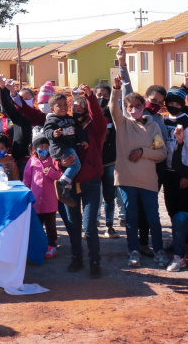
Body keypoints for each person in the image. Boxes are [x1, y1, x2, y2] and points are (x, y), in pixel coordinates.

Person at [109, 75, 168, 268]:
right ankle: (133, 251)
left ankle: (158, 250)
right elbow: (112, 108)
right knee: (131, 218)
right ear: (126, 109)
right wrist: (116, 89)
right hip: (126, 179)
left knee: (153, 217)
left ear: (144, 106)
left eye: (137, 106)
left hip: (148, 180)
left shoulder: (154, 127)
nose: (134, 110)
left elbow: (161, 153)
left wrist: (143, 152)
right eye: (130, 107)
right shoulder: (123, 124)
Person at [57, 84, 107, 278]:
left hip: (91, 183)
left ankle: (95, 261)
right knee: (72, 224)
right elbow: (56, 150)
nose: (77, 113)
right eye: (74, 110)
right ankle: (76, 257)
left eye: (81, 110)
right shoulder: (66, 129)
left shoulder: (96, 129)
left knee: (89, 226)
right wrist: (60, 163)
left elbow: (98, 117)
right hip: (69, 185)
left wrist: (90, 97)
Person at [42, 93, 88, 205]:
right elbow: (46, 132)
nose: (63, 108)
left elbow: (78, 130)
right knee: (76, 165)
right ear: (52, 108)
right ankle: (62, 182)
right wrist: (54, 133)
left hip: (70, 146)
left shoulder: (70, 119)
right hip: (61, 147)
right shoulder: (52, 120)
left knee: (74, 165)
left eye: (65, 105)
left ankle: (65, 189)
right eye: (59, 105)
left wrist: (83, 140)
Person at [161, 88, 188, 219]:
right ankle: (176, 234)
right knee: (170, 205)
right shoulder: (164, 120)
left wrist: (186, 174)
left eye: (178, 104)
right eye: (171, 103)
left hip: (182, 171)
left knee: (184, 205)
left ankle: (187, 238)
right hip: (167, 171)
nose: (174, 106)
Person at [24, 133, 61, 259]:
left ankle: (52, 245)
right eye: (41, 146)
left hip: (49, 202)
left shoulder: (53, 160)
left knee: (51, 225)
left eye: (46, 146)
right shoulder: (32, 161)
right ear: (35, 148)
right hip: (35, 202)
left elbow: (59, 175)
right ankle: (39, 245)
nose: (44, 149)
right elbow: (27, 180)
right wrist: (26, 195)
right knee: (37, 226)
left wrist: (51, 172)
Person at [94, 83, 119, 239]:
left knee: (110, 196)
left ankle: (109, 226)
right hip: (93, 163)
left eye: (105, 95)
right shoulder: (89, 113)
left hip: (110, 162)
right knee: (93, 196)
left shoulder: (114, 114)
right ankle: (92, 222)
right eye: (99, 95)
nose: (101, 98)